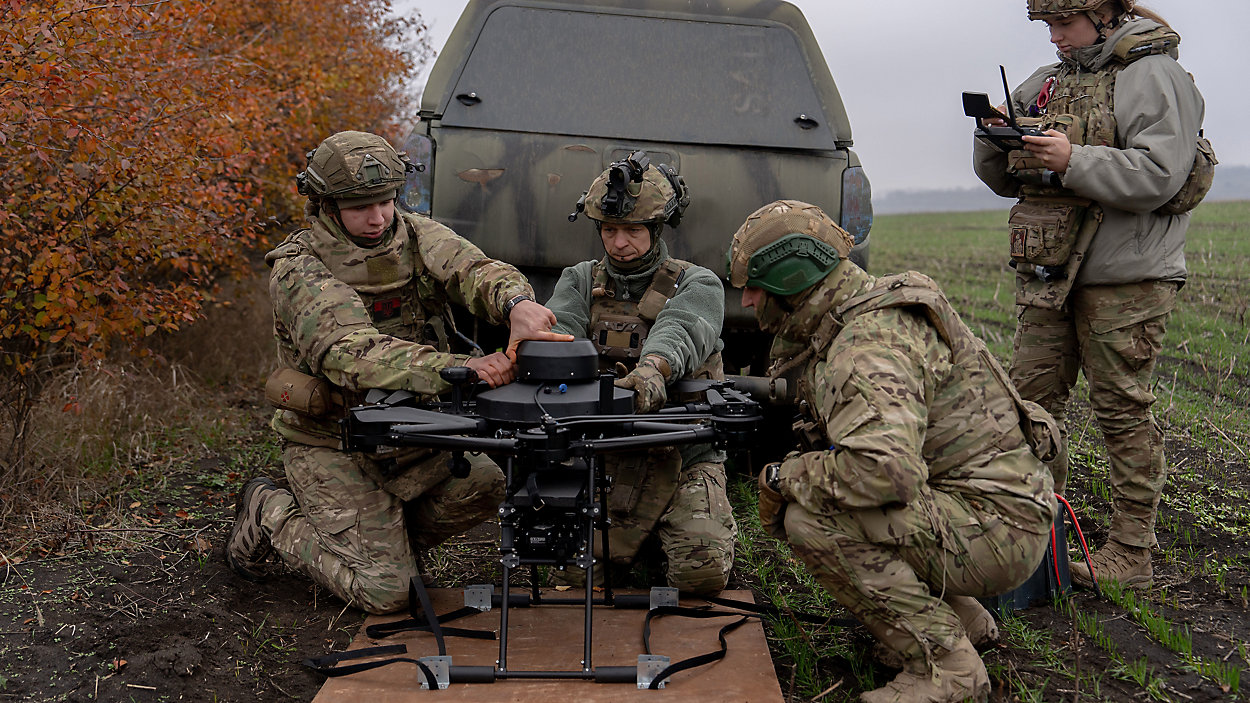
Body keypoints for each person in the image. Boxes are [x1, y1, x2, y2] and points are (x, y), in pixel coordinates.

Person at [225, 130, 572, 614]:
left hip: (411, 430)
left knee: (486, 484)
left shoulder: (413, 233)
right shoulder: (299, 268)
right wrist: (461, 368)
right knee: (388, 594)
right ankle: (270, 513)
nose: (377, 218)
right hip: (333, 441)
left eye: (386, 201)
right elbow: (348, 354)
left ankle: (381, 547)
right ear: (326, 205)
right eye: (359, 206)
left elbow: (474, 268)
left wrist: (517, 304)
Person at [727, 200, 1059, 703]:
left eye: (755, 286)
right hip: (1000, 508)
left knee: (810, 519)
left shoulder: (864, 349)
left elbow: (885, 472)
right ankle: (967, 622)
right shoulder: (867, 307)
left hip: (999, 531)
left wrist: (783, 477)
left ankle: (948, 666)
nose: (748, 300)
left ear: (791, 282)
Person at [972, 0, 1207, 590]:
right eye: (1047, 26)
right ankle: (1030, 532)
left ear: (1105, 15)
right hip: (1052, 272)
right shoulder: (1050, 82)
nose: (1055, 38)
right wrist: (996, 138)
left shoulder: (1154, 75)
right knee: (1027, 403)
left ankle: (1131, 553)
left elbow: (1162, 173)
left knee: (1122, 410)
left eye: (1064, 25)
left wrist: (1074, 159)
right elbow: (1003, 178)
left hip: (1126, 277)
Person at [543, 152, 736, 595]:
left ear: (656, 230)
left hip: (683, 450)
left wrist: (652, 370)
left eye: (633, 231)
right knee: (570, 582)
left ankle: (684, 525)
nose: (619, 243)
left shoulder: (697, 282)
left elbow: (681, 327)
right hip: (603, 455)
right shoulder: (579, 280)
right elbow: (560, 335)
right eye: (610, 231)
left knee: (699, 576)